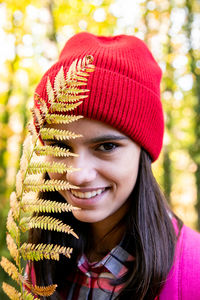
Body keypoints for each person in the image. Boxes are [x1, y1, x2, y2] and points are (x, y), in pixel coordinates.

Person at [27, 32, 200, 300]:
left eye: (106, 146)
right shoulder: (40, 256)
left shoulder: (193, 272)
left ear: (144, 151)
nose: (78, 174)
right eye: (61, 147)